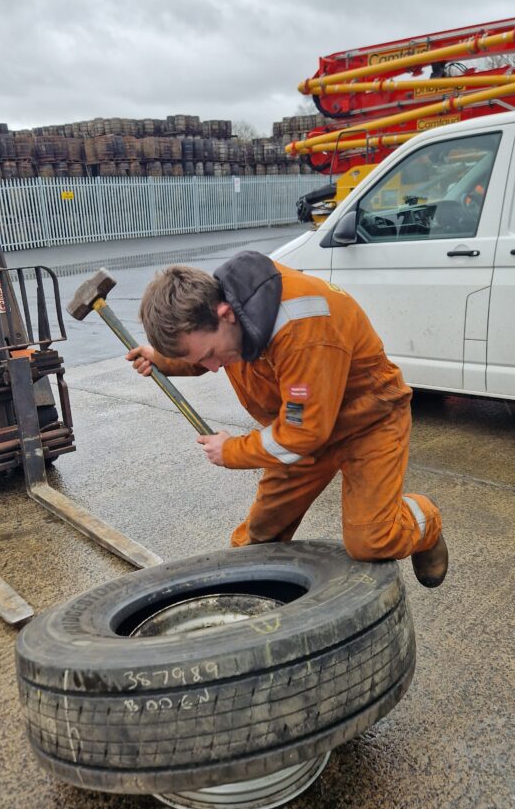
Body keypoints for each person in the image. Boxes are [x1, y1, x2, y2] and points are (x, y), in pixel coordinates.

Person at [126, 250, 448, 587]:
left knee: (372, 539)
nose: (213, 367)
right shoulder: (227, 316)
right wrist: (164, 361)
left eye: (209, 356)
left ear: (225, 314)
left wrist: (232, 450)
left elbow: (304, 433)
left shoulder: (303, 328)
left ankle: (426, 519)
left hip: (367, 422)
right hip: (302, 425)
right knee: (257, 539)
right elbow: (210, 352)